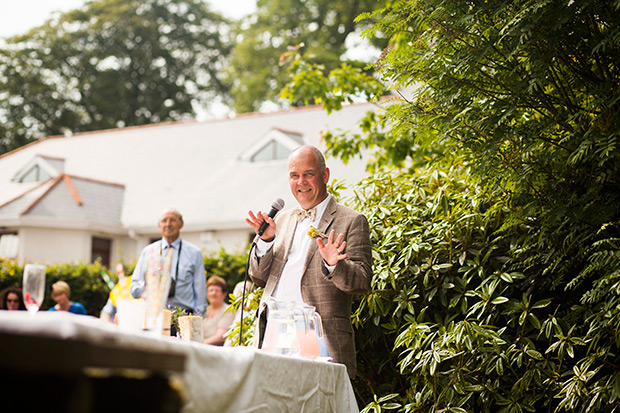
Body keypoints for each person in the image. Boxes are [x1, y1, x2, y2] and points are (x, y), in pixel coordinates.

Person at [245, 145, 373, 378]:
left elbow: (362, 281)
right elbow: (259, 277)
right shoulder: (281, 220)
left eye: (308, 174)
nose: (301, 182)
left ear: (325, 175)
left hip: (318, 337)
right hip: (274, 333)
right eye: (294, 175)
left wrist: (335, 265)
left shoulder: (352, 220)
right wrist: (265, 242)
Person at [130, 208, 207, 317]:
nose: (168, 224)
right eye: (164, 220)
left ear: (181, 224)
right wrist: (150, 284)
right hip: (154, 315)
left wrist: (199, 316)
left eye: (172, 220)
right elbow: (134, 288)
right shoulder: (148, 252)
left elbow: (200, 289)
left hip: (183, 316)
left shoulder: (194, 253)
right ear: (159, 225)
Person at [203, 275, 234, 346]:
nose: (213, 293)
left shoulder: (228, 310)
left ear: (224, 294)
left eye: (217, 291)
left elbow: (221, 337)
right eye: (211, 290)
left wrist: (201, 343)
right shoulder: (204, 310)